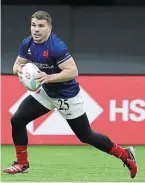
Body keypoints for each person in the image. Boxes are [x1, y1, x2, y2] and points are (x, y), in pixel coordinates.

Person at [2, 11, 137, 178]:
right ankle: (22, 163)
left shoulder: (56, 47)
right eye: (33, 25)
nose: (36, 30)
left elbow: (73, 72)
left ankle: (125, 154)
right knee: (17, 119)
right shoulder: (27, 43)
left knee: (86, 136)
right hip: (46, 92)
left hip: (66, 96)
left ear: (49, 28)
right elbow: (16, 65)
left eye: (41, 26)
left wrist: (49, 77)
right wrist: (20, 71)